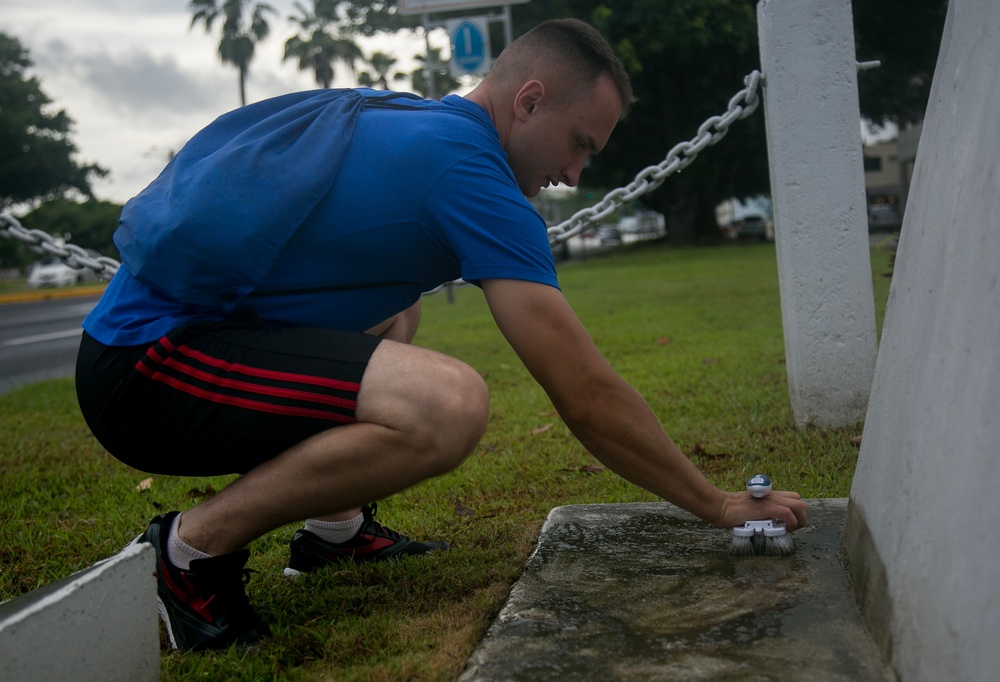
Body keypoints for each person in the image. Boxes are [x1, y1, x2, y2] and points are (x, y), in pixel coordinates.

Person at [76, 18, 807, 651]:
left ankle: (334, 532)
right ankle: (188, 555)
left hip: (150, 347)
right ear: (529, 100)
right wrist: (712, 503)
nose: (575, 171)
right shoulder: (469, 174)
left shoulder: (419, 120)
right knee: (447, 405)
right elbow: (582, 392)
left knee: (399, 318)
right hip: (145, 372)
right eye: (579, 144)